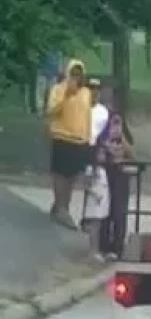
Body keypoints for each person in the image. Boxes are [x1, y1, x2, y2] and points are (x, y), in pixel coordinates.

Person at [44, 59, 93, 230]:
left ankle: (62, 205)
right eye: (73, 74)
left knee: (72, 175)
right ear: (68, 74)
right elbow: (51, 110)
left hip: (79, 140)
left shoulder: (86, 92)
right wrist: (66, 95)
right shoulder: (59, 90)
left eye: (79, 74)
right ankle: (61, 208)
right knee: (60, 174)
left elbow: (87, 116)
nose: (76, 77)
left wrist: (88, 138)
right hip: (62, 137)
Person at [97, 113, 134, 258]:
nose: (116, 126)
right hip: (106, 176)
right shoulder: (102, 138)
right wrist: (106, 145)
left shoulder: (125, 138)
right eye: (113, 123)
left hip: (121, 177)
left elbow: (131, 154)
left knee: (119, 212)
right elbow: (99, 156)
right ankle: (103, 245)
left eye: (119, 123)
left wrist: (121, 137)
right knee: (105, 212)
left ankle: (117, 247)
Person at [80, 145, 110, 262]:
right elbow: (86, 185)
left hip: (102, 200)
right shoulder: (91, 169)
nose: (103, 156)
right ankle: (92, 251)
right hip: (94, 201)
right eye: (100, 154)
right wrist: (96, 193)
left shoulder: (102, 169)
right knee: (94, 227)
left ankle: (97, 250)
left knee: (98, 226)